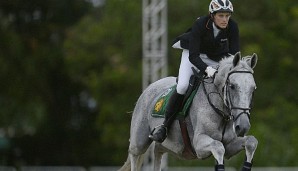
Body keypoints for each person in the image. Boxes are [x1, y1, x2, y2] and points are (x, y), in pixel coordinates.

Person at [149, 0, 240, 143]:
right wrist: (207, 69)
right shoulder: (200, 24)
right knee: (183, 86)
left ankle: (234, 123)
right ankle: (164, 126)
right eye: (221, 16)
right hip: (192, 54)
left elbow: (234, 55)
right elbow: (193, 56)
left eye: (227, 16)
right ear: (212, 15)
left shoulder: (233, 26)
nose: (224, 19)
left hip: (215, 57)